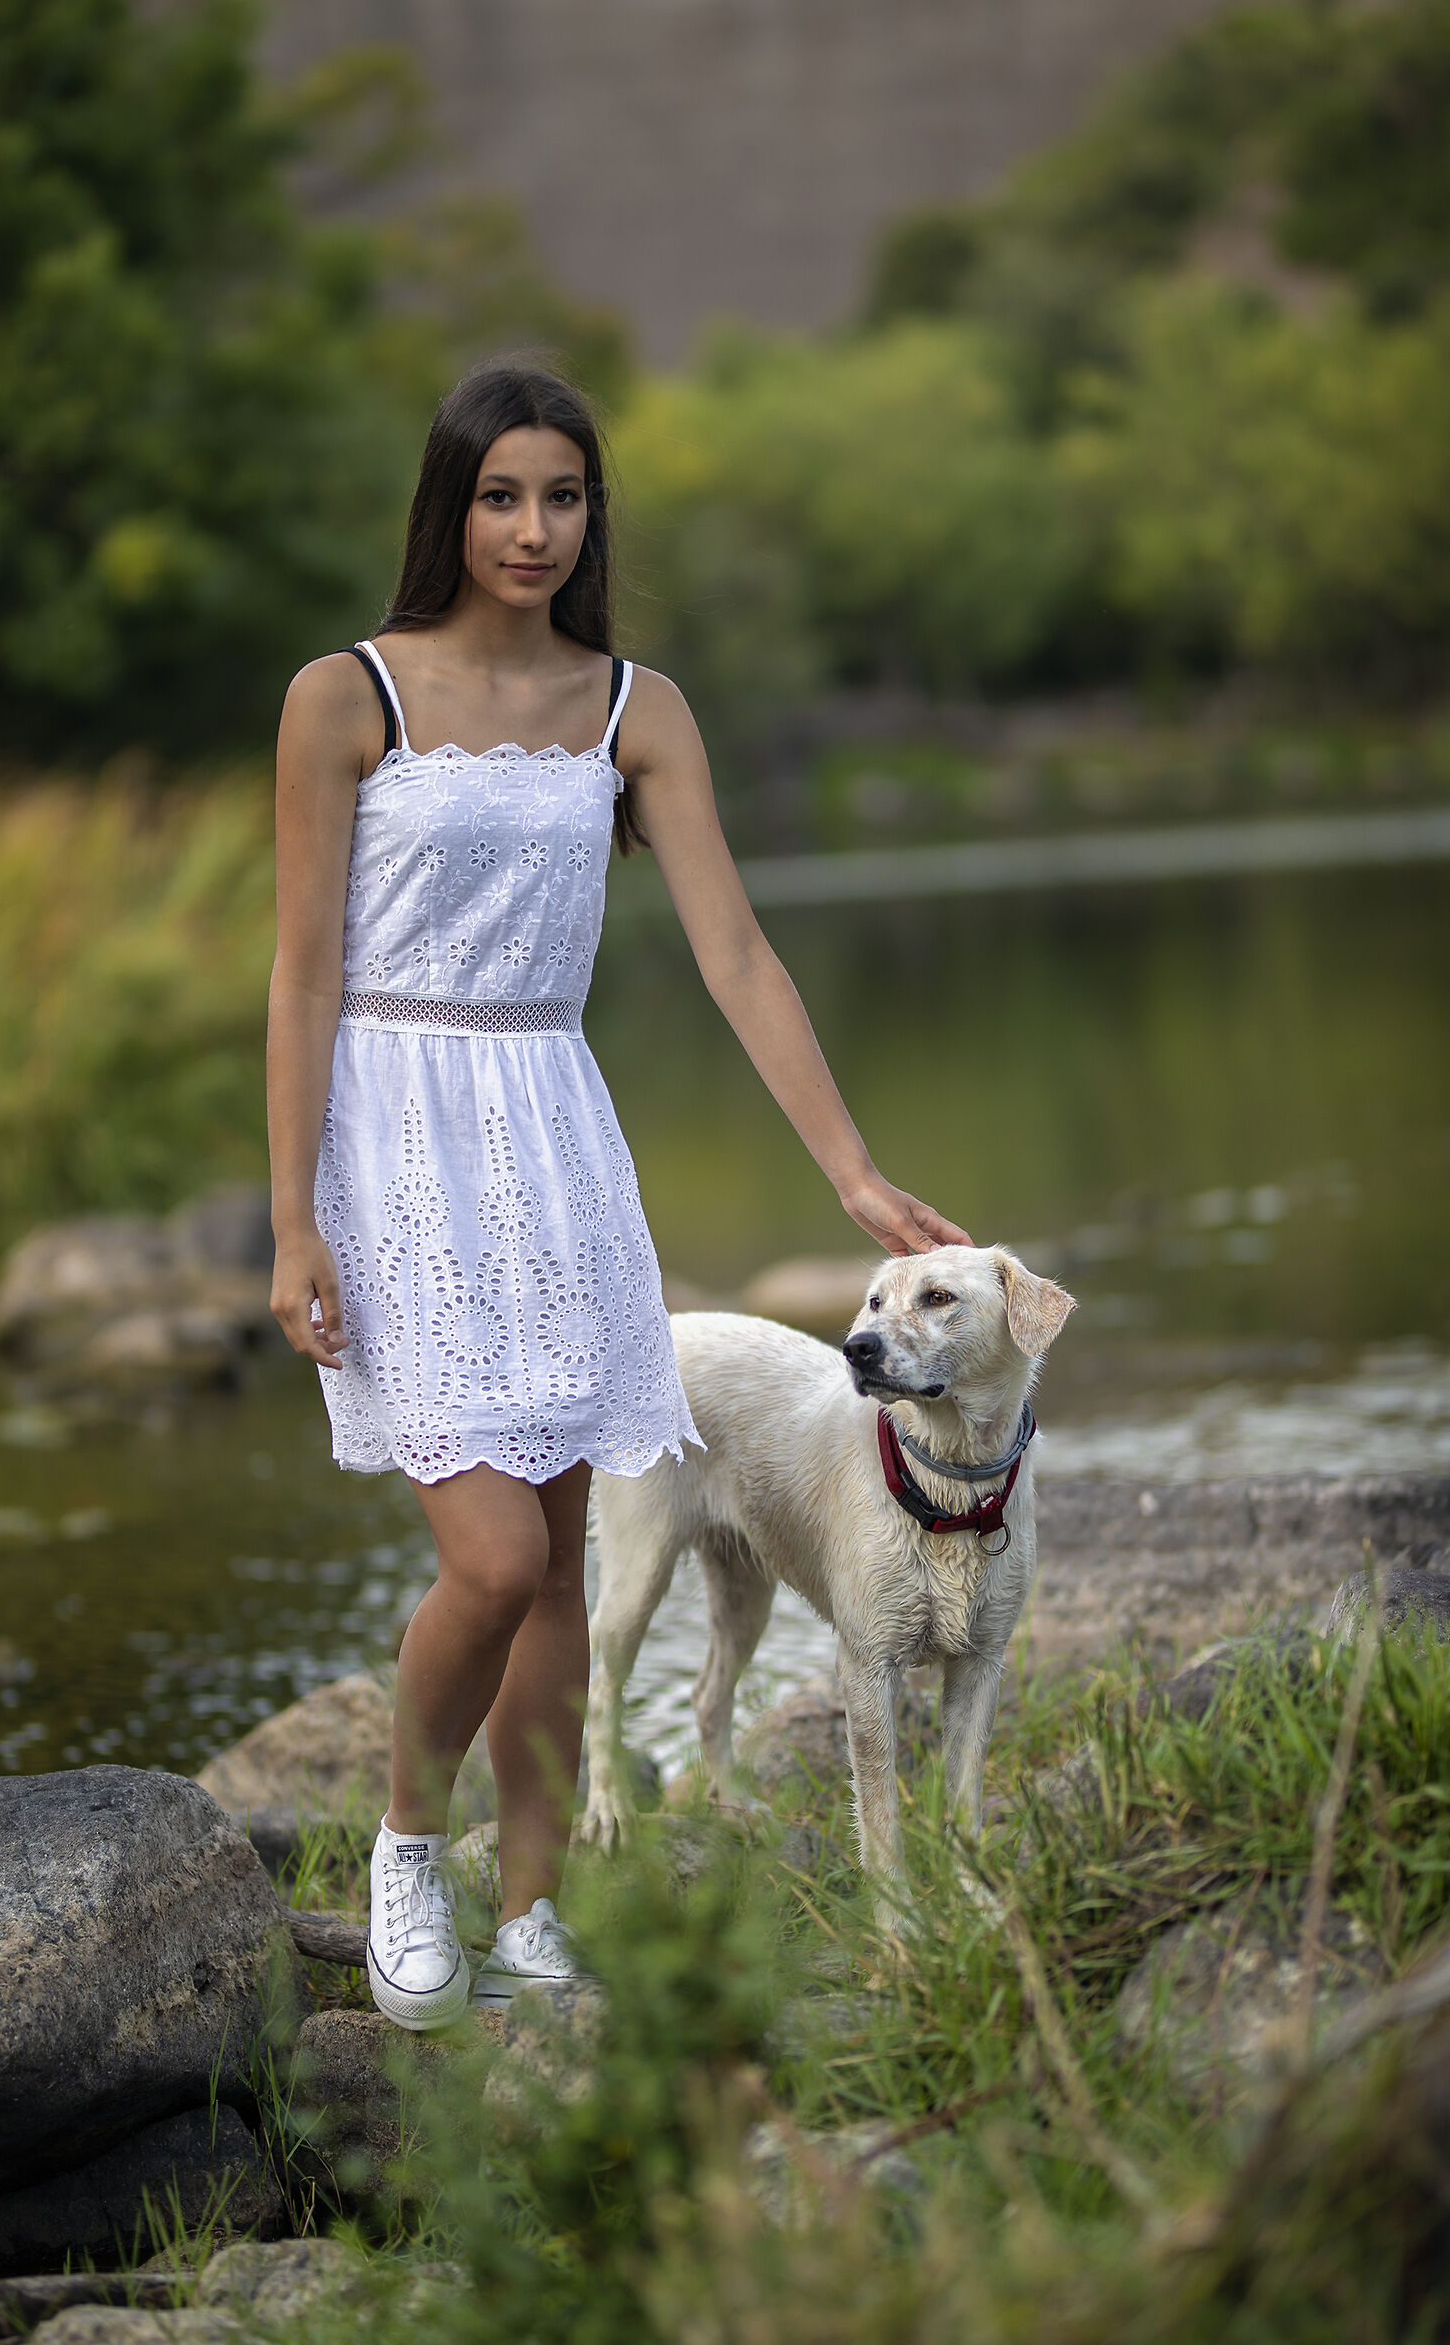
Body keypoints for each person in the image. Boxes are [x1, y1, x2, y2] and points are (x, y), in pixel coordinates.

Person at [267, 364, 970, 2029]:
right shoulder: (344, 694)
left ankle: (531, 1918)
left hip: (553, 1128)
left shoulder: (631, 705)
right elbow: (301, 974)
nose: (533, 528)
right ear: (453, 504)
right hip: (395, 1134)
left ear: (593, 514)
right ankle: (401, 1855)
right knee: (494, 1556)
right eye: (502, 495)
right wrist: (293, 1216)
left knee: (569, 1568)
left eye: (564, 497)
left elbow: (735, 952)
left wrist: (854, 1174)